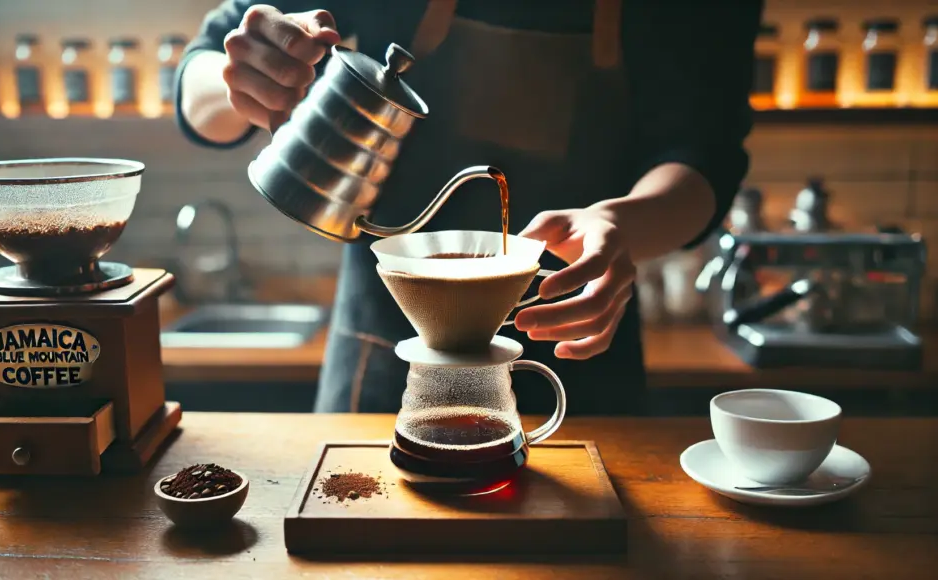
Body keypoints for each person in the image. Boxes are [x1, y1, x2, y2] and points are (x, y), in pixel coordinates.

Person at [177, 0, 763, 415]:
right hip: (386, 350)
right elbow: (202, 76)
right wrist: (241, 78)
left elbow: (704, 158)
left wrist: (620, 224)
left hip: (579, 347)